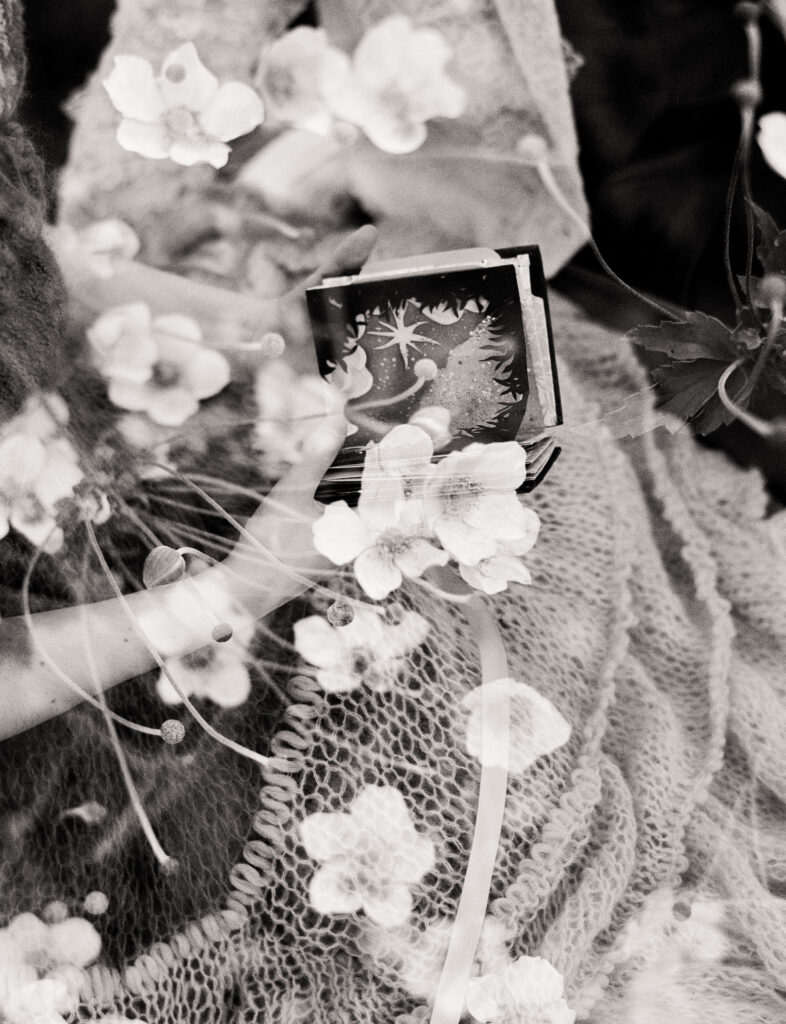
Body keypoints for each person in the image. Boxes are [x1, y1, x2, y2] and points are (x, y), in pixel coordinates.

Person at [2, 3, 786, 1024]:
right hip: (73, 699)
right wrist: (235, 589)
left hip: (104, 468)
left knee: (470, 415)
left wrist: (251, 332)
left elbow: (21, 256)